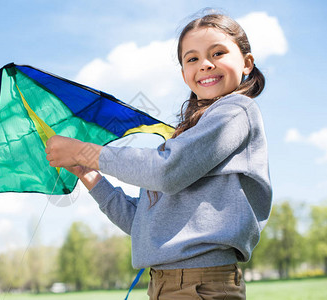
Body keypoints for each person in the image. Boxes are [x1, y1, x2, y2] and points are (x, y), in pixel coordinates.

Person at [45, 13, 272, 300]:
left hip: (199, 286)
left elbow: (165, 170)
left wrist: (84, 151)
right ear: (183, 74)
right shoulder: (190, 135)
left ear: (247, 64)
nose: (205, 63)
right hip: (166, 284)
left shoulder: (236, 111)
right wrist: (89, 174)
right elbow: (141, 224)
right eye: (192, 59)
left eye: (218, 52)